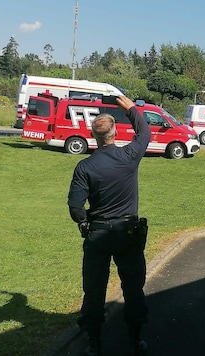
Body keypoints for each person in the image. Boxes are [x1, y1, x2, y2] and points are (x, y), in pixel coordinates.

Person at [67, 95, 151, 356]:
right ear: (115, 133)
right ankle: (135, 339)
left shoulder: (85, 167)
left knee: (94, 290)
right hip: (128, 234)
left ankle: (94, 343)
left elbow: (76, 208)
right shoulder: (129, 155)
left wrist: (85, 221)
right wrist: (131, 108)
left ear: (94, 137)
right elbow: (145, 132)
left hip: (98, 235)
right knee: (133, 288)